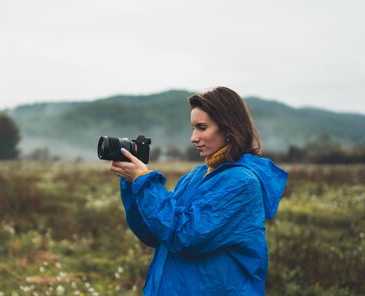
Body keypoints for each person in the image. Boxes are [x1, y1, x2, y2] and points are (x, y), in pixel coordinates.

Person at [110, 86, 288, 295]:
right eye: (193, 128)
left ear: (229, 129)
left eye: (202, 127)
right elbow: (156, 233)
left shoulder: (242, 183)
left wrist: (145, 182)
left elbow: (184, 236)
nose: (193, 137)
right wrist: (133, 184)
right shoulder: (196, 176)